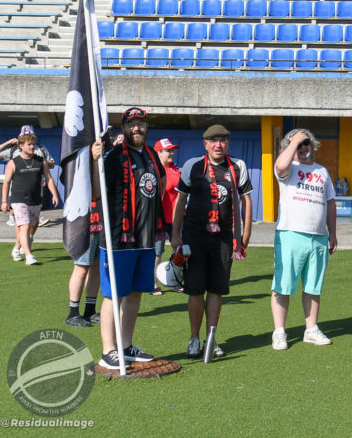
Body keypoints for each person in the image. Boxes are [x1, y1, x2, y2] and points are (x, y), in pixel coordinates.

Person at [88, 107, 164, 370]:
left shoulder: (152, 154)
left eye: (140, 124)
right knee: (113, 294)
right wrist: (93, 160)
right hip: (118, 238)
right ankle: (108, 350)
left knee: (134, 294)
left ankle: (126, 346)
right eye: (131, 124)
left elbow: (159, 186)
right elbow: (97, 193)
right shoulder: (113, 157)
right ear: (123, 128)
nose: (137, 128)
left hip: (145, 238)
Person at [171, 124, 253, 358]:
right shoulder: (192, 165)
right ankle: (194, 339)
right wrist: (176, 233)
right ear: (205, 144)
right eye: (213, 140)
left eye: (223, 140)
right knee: (195, 290)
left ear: (227, 143)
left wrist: (245, 234)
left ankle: (211, 339)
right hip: (195, 237)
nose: (219, 145)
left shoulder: (238, 166)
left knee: (216, 290)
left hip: (225, 239)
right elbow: (180, 200)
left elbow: (246, 200)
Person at [271, 128, 337, 350]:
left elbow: (329, 203)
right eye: (298, 144)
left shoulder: (322, 171)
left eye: (306, 142)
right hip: (291, 234)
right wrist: (293, 141)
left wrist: (333, 233)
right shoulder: (288, 167)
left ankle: (311, 329)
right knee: (283, 285)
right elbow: (280, 166)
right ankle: (279, 331)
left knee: (313, 286)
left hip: (318, 237)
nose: (303, 147)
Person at [0, 129, 59, 265]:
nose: (32, 147)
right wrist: (4, 201)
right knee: (25, 226)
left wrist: (54, 194)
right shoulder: (13, 163)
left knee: (30, 226)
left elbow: (49, 178)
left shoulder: (41, 161)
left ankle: (16, 248)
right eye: (29, 144)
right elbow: (6, 182)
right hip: (19, 200)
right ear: (21, 146)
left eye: (33, 144)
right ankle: (29, 256)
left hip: (35, 200)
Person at [151, 138, 181, 295]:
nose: (172, 153)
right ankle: (153, 284)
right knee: (157, 252)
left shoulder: (175, 169)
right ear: (159, 153)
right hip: (159, 219)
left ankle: (174, 280)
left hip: (176, 219)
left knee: (179, 250)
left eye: (172, 150)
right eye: (168, 150)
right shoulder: (154, 171)